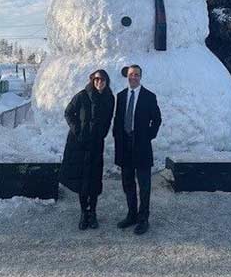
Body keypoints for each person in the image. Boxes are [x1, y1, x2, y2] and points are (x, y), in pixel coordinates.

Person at [59, 69, 114, 230]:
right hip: (79, 144)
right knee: (82, 179)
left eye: (102, 79)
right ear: (92, 80)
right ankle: (84, 213)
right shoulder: (82, 95)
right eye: (96, 79)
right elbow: (68, 113)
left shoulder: (109, 98)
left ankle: (93, 213)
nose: (99, 82)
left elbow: (109, 118)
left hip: (96, 144)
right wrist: (78, 131)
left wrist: (102, 133)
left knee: (94, 180)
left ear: (106, 81)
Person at [113, 64, 162, 235]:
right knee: (127, 183)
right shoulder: (120, 96)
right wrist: (117, 139)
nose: (133, 77)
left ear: (140, 77)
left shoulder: (149, 96)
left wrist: (148, 136)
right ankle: (132, 214)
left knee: (144, 184)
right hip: (125, 146)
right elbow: (117, 120)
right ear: (127, 75)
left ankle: (143, 219)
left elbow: (157, 119)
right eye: (131, 74)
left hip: (141, 146)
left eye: (137, 74)